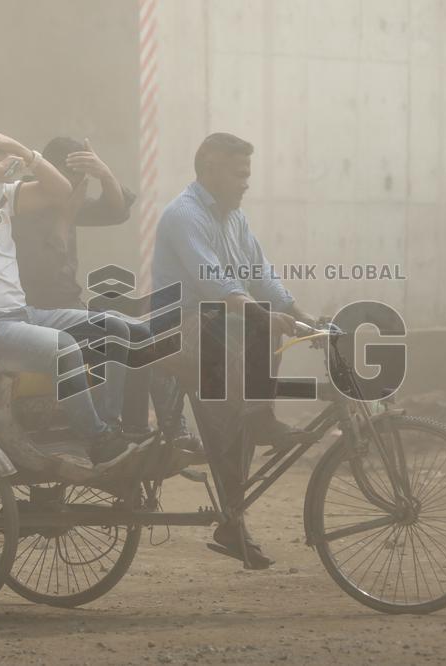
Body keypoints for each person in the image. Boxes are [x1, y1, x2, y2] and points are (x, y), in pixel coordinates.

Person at [0, 127, 133, 466]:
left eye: (7, 166)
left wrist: (25, 153)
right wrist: (0, 170)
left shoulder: (2, 201)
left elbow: (61, 190)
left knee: (117, 331)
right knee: (64, 347)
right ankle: (95, 438)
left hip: (22, 314)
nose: (5, 172)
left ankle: (110, 428)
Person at [152, 132, 315, 567]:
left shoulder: (236, 220)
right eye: (238, 173)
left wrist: (303, 316)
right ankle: (260, 416)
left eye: (248, 174)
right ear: (208, 167)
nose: (246, 183)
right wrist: (263, 316)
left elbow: (261, 275)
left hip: (218, 329)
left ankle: (232, 522)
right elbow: (214, 284)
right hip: (179, 328)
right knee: (255, 335)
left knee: (232, 425)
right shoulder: (184, 215)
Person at [11, 135, 199, 449]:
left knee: (147, 336)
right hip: (37, 312)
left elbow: (115, 211)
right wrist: (66, 217)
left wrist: (105, 174)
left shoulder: (66, 198)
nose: (73, 187)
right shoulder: (27, 202)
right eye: (69, 178)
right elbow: (40, 273)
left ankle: (164, 428)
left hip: (72, 307)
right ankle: (109, 429)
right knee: (117, 333)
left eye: (80, 180)